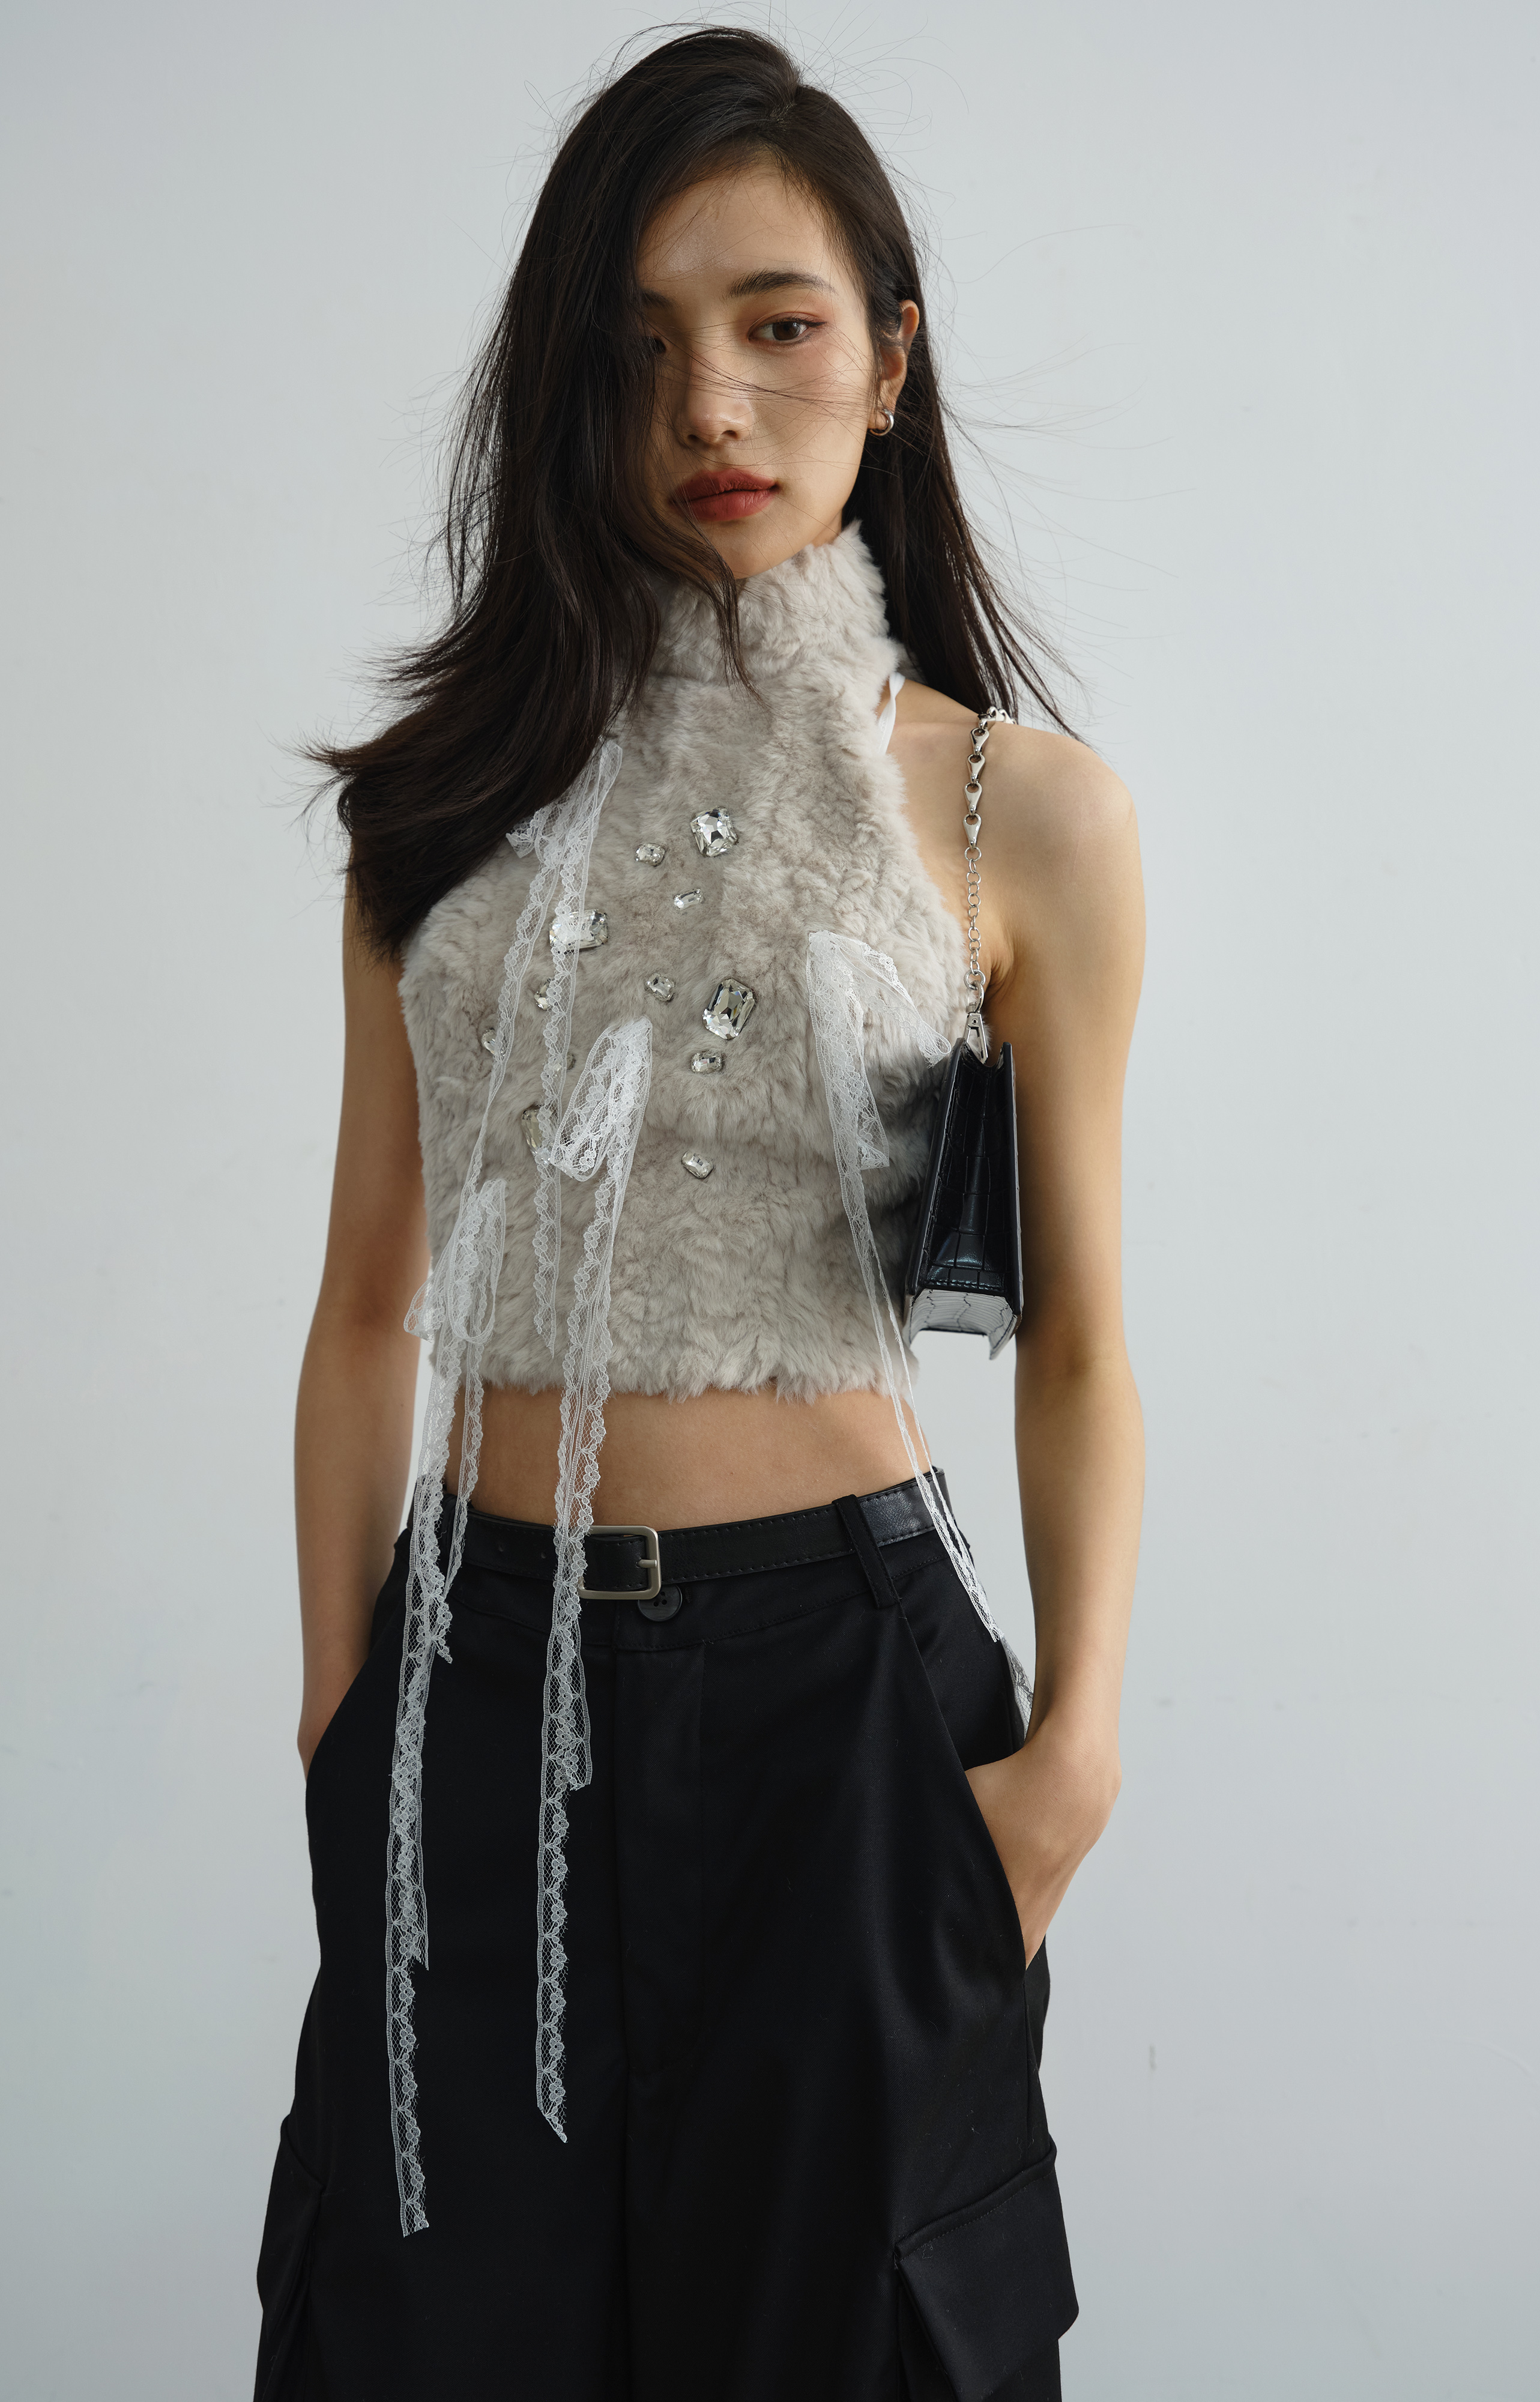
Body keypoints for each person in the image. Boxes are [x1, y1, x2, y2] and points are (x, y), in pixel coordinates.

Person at [252, 28, 1144, 2402]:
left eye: (778, 326)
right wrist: (343, 1713)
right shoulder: (437, 806)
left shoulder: (1023, 815)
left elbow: (1078, 1337)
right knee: (416, 2335)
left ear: (891, 361)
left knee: (854, 2347)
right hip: (471, 1680)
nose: (713, 406)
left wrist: (1074, 1752)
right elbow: (364, 1303)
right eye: (640, 346)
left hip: (844, 1707)